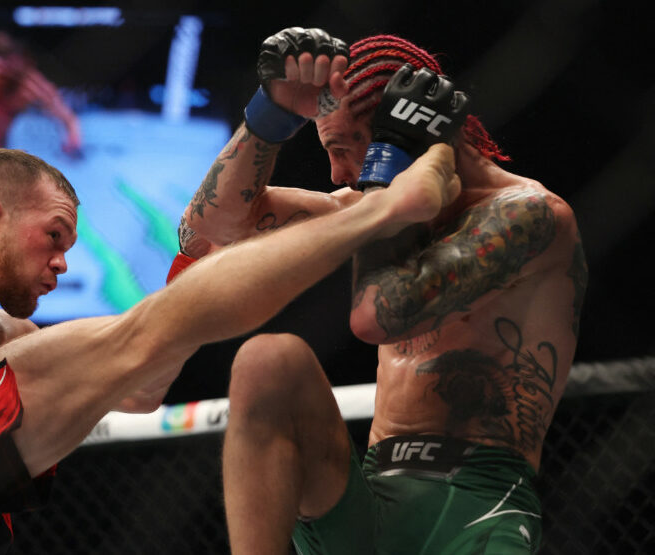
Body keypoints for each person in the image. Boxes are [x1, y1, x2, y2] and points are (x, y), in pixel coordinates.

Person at [0, 137, 460, 552]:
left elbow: (142, 391)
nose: (62, 263)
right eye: (54, 235)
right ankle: (385, 208)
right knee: (145, 329)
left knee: (144, 336)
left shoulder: (12, 340)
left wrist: (191, 272)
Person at [173, 28, 587, 553]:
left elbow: (376, 317)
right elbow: (204, 233)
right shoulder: (365, 206)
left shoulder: (529, 216)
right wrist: (271, 113)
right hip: (370, 498)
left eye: (345, 148)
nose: (337, 174)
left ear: (405, 136)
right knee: (266, 362)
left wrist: (386, 176)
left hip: (476, 503)